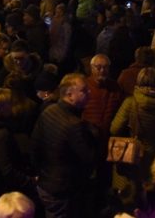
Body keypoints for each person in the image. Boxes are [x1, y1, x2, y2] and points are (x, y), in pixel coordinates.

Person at [31, 72, 95, 218]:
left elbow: (35, 145)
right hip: (63, 189)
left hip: (46, 184)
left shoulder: (48, 111)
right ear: (69, 95)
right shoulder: (74, 125)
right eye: (84, 91)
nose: (89, 93)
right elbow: (89, 157)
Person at [111, 66, 155, 206]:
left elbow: (114, 128)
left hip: (129, 152)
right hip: (150, 153)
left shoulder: (130, 102)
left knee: (127, 193)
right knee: (144, 195)